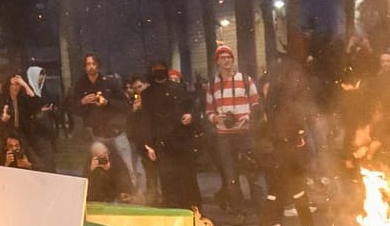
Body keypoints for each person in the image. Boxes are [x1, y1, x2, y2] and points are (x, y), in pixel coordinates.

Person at [248, 60, 329, 226]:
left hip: (287, 152)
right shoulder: (279, 101)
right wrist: (296, 136)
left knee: (299, 191)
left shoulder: (279, 99)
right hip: (281, 154)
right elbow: (282, 127)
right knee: (275, 196)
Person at [77, 56, 140, 200]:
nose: (91, 67)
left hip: (116, 132)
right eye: (88, 64)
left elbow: (124, 105)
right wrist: (82, 102)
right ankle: (100, 196)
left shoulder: (109, 82)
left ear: (98, 65)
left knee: (126, 166)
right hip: (97, 134)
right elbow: (73, 109)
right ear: (84, 67)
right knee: (96, 166)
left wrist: (107, 103)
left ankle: (132, 197)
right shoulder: (81, 85)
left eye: (93, 64)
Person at [205, 45, 259, 213]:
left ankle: (261, 209)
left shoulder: (245, 79)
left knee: (253, 172)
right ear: (217, 62)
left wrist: (247, 117)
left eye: (229, 57)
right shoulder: (212, 84)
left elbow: (256, 103)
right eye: (223, 58)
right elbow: (208, 110)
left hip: (245, 133)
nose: (227, 60)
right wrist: (215, 118)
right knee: (231, 176)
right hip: (224, 136)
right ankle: (238, 210)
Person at [145, 63, 202, 208]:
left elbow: (193, 107)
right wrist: (149, 145)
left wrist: (190, 116)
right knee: (168, 183)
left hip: (182, 141)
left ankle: (195, 213)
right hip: (162, 144)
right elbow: (146, 122)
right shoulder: (147, 94)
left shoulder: (178, 88)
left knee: (188, 180)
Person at [0, 73, 46, 170]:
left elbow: (37, 104)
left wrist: (25, 85)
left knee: (29, 161)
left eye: (17, 85)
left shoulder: (23, 99)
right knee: (9, 160)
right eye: (12, 84)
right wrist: (2, 119)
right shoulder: (2, 99)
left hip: (24, 136)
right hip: (7, 137)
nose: (15, 87)